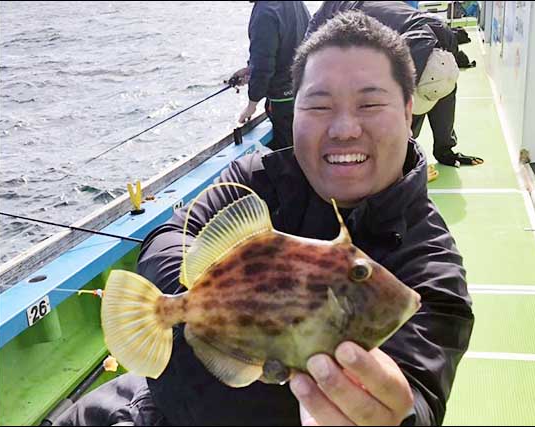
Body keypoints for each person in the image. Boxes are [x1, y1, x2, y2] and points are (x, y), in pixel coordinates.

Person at [55, 11, 473, 426]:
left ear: (407, 110)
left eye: (369, 103)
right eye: (319, 104)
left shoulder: (431, 264)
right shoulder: (260, 177)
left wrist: (397, 417)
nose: (345, 128)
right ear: (296, 111)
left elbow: (419, 389)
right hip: (146, 408)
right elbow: (168, 236)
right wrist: (239, 295)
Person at [308, 1, 484, 167]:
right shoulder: (386, 54)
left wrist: (445, 148)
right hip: (342, 21)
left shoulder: (446, 39)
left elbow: (444, 91)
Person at [230, 1, 311, 151]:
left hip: (283, 103)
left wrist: (251, 105)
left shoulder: (264, 12)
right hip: (304, 93)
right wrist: (250, 69)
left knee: (289, 158)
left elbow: (263, 66)